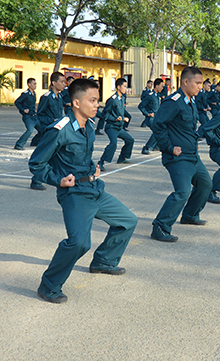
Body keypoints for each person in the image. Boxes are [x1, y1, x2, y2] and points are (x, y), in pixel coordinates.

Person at [29, 78, 137, 304]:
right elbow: (36, 164)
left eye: (97, 100)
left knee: (128, 220)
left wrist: (93, 168)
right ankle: (49, 284)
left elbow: (80, 158)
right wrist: (58, 180)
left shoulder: (88, 125)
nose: (97, 104)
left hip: (94, 187)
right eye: (93, 100)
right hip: (74, 193)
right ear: (76, 103)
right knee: (79, 242)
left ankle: (104, 261)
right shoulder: (60, 130)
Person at [150, 66, 213, 242]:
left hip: (192, 155)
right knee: (183, 191)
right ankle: (160, 226)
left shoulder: (190, 100)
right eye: (198, 83)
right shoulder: (173, 101)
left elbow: (187, 128)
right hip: (178, 157)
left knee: (206, 184)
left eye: (201, 83)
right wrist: (169, 147)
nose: (200, 86)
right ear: (186, 82)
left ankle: (190, 215)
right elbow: (158, 125)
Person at [30, 72, 66, 190]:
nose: (63, 84)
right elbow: (39, 115)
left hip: (57, 130)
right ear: (53, 83)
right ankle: (36, 181)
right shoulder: (46, 97)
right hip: (48, 130)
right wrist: (52, 120)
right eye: (61, 81)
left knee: (56, 155)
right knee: (45, 155)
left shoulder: (60, 96)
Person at [99, 78, 133, 171]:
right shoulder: (112, 100)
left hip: (119, 127)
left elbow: (121, 111)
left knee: (130, 140)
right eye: (124, 86)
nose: (126, 89)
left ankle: (122, 158)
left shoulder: (122, 98)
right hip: (111, 127)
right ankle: (101, 162)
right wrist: (115, 118)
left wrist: (125, 117)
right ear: (118, 87)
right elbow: (105, 114)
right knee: (113, 143)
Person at [139, 78, 163, 155]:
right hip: (150, 118)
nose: (162, 88)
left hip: (156, 118)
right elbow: (141, 106)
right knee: (157, 131)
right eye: (161, 86)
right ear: (157, 86)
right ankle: (146, 147)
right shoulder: (150, 96)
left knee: (162, 130)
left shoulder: (157, 96)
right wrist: (147, 113)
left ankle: (156, 146)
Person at [14, 77, 38, 150]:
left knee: (43, 129)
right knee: (30, 130)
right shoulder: (25, 94)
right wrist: (23, 109)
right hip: (28, 117)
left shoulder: (34, 93)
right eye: (34, 84)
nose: (35, 85)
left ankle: (35, 142)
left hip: (34, 116)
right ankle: (19, 144)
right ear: (29, 84)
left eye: (35, 84)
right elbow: (17, 102)